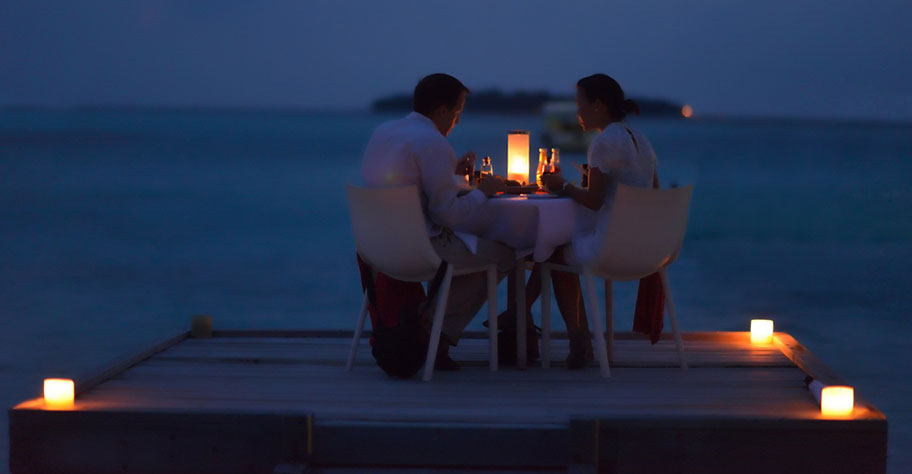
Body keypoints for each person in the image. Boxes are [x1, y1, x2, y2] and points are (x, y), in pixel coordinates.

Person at [360, 73, 512, 370]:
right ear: (443, 110)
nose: (457, 122)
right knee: (504, 257)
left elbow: (405, 181)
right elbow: (447, 216)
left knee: (470, 261)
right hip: (419, 249)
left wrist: (450, 172)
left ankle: (431, 337)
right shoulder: (433, 141)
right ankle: (430, 334)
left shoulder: (385, 131)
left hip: (376, 250)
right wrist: (483, 192)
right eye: (457, 114)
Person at [531, 73, 659, 368]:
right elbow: (652, 193)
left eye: (580, 104)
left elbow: (594, 201)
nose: (577, 112)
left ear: (598, 106)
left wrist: (561, 185)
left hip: (612, 248)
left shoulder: (603, 143)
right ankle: (521, 314)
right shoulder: (641, 141)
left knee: (552, 254)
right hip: (647, 248)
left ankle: (580, 341)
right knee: (560, 248)